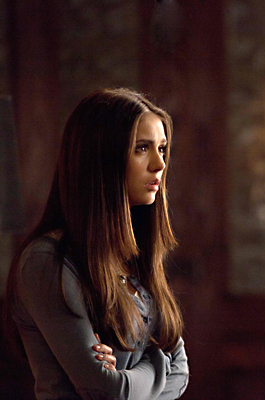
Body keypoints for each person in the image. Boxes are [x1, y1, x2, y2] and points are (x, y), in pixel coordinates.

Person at [5, 88, 189, 399]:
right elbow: (108, 391)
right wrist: (160, 361)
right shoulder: (47, 261)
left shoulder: (133, 255)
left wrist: (139, 373)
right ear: (101, 159)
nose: (159, 164)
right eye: (142, 148)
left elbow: (181, 372)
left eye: (162, 148)